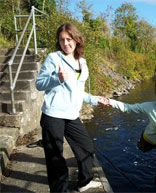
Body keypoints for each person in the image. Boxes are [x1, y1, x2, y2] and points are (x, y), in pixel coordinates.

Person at [35, 23, 104, 193]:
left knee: (86, 147)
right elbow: (39, 84)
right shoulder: (53, 58)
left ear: (76, 40)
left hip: (72, 114)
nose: (66, 43)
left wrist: (95, 99)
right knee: (55, 156)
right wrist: (57, 78)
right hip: (53, 114)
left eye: (69, 39)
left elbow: (78, 91)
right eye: (62, 40)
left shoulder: (83, 62)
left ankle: (84, 182)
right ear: (58, 42)